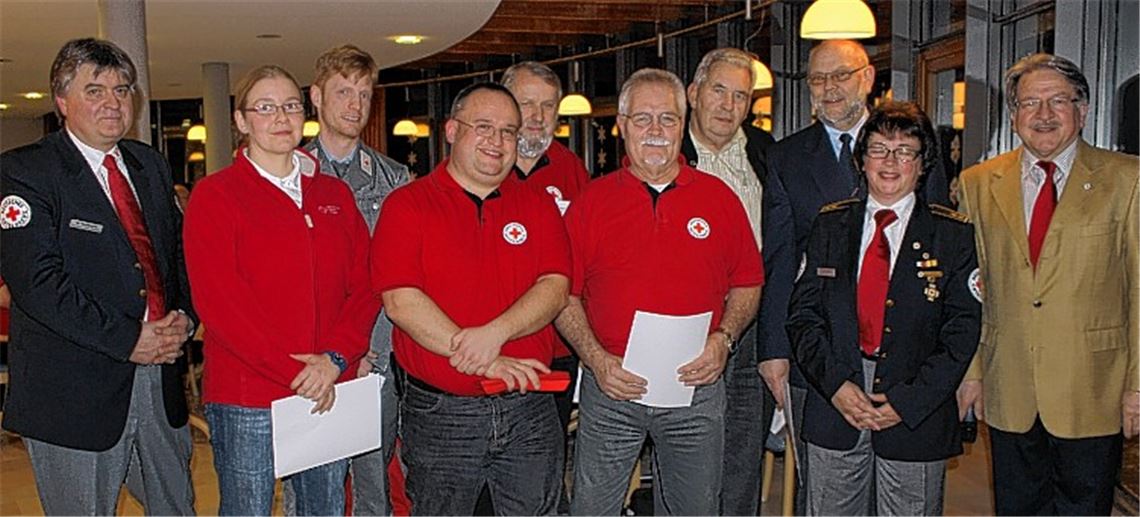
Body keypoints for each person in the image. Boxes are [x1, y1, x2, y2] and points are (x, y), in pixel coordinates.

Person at [0, 37, 196, 515]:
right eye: (96, 90)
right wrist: (130, 338)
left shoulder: (148, 165)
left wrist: (185, 318)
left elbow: (175, 255)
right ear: (62, 101)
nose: (113, 102)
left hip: (159, 381)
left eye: (123, 89)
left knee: (178, 508)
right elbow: (38, 285)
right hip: (74, 393)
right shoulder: (24, 172)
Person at [559, 68, 764, 516]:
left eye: (668, 119)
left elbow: (748, 283)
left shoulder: (720, 199)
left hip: (696, 388)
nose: (655, 131)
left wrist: (724, 340)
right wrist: (595, 359)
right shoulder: (590, 204)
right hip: (611, 387)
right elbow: (563, 295)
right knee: (591, 508)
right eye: (642, 119)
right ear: (622, 126)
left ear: (683, 123)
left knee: (695, 509)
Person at [183, 65, 377, 516]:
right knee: (247, 510)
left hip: (329, 385)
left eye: (290, 106)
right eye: (265, 107)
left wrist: (335, 360)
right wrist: (296, 373)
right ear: (241, 120)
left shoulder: (334, 195)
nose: (281, 117)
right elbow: (220, 302)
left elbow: (366, 286)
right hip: (249, 394)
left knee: (323, 508)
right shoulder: (217, 196)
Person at [763, 39, 949, 509]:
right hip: (821, 359)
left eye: (840, 75)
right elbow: (781, 258)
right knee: (825, 492)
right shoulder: (785, 157)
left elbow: (943, 253)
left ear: (867, 77)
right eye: (818, 79)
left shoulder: (915, 143)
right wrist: (773, 350)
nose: (829, 88)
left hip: (907, 358)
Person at [371, 83, 570, 515]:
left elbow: (555, 286)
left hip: (529, 410)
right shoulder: (408, 206)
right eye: (484, 127)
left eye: (507, 131)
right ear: (451, 130)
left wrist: (494, 334)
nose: (497, 142)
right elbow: (401, 302)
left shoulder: (538, 204)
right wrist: (488, 360)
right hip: (443, 415)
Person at [956, 53, 1139, 515]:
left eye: (1058, 101)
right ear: (1014, 114)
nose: (1043, 115)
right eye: (1029, 103)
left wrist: (1138, 385)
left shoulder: (1128, 180)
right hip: (1007, 381)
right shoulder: (977, 183)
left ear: (1083, 110)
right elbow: (969, 289)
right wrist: (971, 372)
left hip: (1094, 385)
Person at [786, 101, 980, 515]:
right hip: (836, 398)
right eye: (878, 149)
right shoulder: (830, 225)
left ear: (922, 163)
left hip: (916, 408)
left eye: (904, 150)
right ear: (861, 160)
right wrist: (835, 386)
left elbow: (962, 332)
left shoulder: (953, 235)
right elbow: (803, 318)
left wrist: (908, 402)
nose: (890, 162)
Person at [679, 47, 789, 516]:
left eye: (740, 96)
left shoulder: (771, 156)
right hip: (685, 327)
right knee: (684, 453)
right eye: (718, 91)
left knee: (743, 454)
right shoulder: (663, 152)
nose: (727, 106)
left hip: (751, 326)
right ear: (693, 93)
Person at [305, 43, 410, 517]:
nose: (354, 105)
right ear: (316, 97)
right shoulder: (289, 174)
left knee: (375, 485)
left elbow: (399, 278)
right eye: (343, 92)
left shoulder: (394, 180)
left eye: (364, 94)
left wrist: (376, 354)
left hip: (376, 360)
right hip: (310, 359)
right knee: (312, 485)